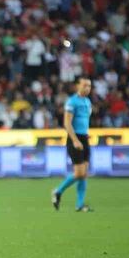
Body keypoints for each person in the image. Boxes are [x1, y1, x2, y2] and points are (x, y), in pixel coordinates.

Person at [52, 76, 93, 212]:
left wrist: (85, 135)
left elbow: (84, 121)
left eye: (89, 86)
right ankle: (58, 191)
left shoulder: (87, 102)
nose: (87, 88)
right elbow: (67, 122)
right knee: (79, 173)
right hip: (74, 139)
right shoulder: (72, 101)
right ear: (78, 86)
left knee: (84, 173)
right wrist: (75, 140)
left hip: (84, 138)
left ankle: (79, 205)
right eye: (85, 85)